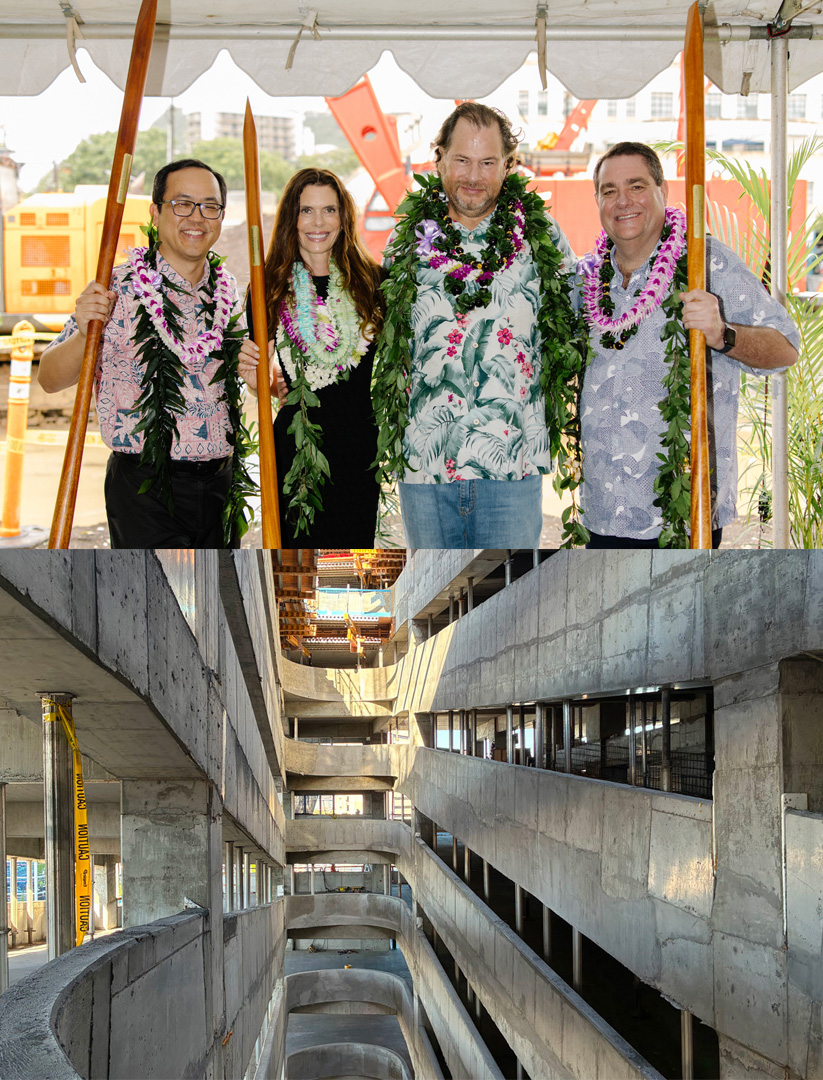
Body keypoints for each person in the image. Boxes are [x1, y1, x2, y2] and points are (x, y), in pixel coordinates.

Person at [373, 101, 584, 549]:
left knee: (509, 601)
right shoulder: (405, 241)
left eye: (488, 162)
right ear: (439, 159)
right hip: (425, 468)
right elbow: (371, 329)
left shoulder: (541, 235)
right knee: (433, 603)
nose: (473, 175)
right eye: (462, 160)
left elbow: (587, 318)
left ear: (509, 165)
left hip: (510, 468)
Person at [578, 141, 799, 548]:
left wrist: (722, 334)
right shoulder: (586, 281)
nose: (623, 201)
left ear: (663, 191)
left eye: (637, 186)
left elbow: (785, 348)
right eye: (609, 190)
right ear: (597, 201)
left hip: (682, 510)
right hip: (603, 512)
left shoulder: (706, 263)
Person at [38, 158, 252, 549]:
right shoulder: (115, 287)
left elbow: (244, 373)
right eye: (182, 204)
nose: (197, 218)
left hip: (220, 486)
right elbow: (49, 379)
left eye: (210, 206)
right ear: (155, 212)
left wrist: (259, 377)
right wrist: (87, 332)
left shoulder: (226, 291)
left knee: (215, 595)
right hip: (145, 488)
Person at [239, 168, 383, 546]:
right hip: (297, 451)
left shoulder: (373, 283)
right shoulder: (268, 286)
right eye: (306, 211)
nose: (318, 222)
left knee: (353, 555)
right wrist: (259, 384)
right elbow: (263, 381)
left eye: (329, 210)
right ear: (292, 218)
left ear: (344, 217)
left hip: (358, 449)